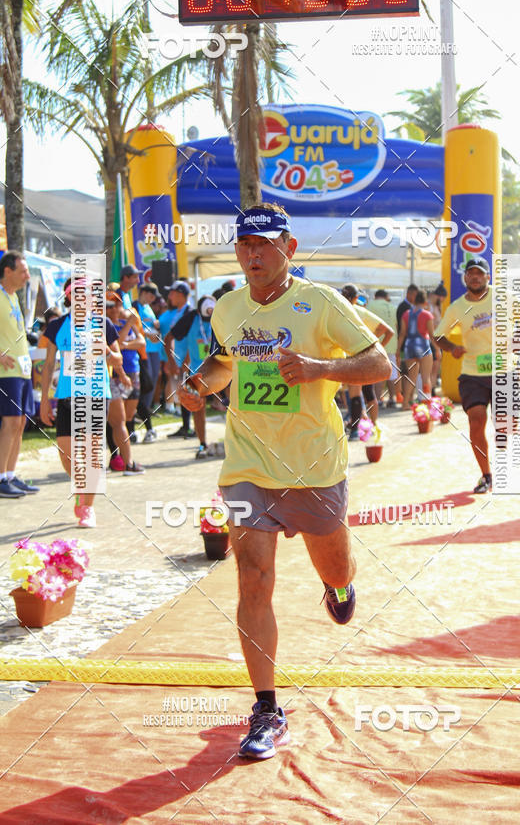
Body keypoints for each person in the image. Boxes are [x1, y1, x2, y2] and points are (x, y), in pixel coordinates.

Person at [178, 203, 391, 760]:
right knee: (252, 577)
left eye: (264, 244)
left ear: (289, 248)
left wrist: (321, 368)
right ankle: (267, 708)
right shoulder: (227, 308)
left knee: (335, 567)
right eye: (244, 245)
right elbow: (226, 364)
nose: (252, 254)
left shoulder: (320, 303)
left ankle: (340, 587)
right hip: (248, 466)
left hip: (314, 466)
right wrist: (199, 384)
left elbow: (381, 366)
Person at [434, 257, 520, 494]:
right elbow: (438, 336)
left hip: (504, 369)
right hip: (472, 372)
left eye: (479, 273)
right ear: (465, 278)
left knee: (505, 425)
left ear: (488, 277)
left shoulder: (503, 296)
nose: (475, 277)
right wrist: (452, 348)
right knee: (476, 421)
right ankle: (487, 475)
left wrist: (518, 339)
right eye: (471, 273)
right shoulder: (457, 307)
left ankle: (502, 456)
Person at [40, 278, 124, 526]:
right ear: (69, 298)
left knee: (92, 454)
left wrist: (106, 350)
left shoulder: (103, 324)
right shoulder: (57, 326)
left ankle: (87, 508)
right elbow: (47, 366)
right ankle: (81, 489)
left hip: (96, 395)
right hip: (67, 396)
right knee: (67, 456)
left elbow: (117, 360)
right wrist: (44, 400)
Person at [0, 250, 39, 498]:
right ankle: (1, 477)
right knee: (11, 422)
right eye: (23, 271)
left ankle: (10, 475)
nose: (27, 276)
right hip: (7, 372)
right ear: (8, 271)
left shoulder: (13, 298)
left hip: (22, 369)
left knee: (21, 422)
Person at [166, 295, 216, 458]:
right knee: (197, 407)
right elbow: (169, 337)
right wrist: (172, 361)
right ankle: (202, 444)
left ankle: (238, 444)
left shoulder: (222, 315)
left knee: (233, 406)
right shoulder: (191, 318)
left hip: (220, 369)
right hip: (197, 371)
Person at [340, 284, 393, 435]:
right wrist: (376, 348)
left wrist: (375, 348)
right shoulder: (360, 312)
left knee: (353, 393)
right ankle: (366, 425)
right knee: (366, 394)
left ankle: (357, 427)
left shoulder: (336, 310)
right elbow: (388, 331)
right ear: (356, 298)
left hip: (347, 359)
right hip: (362, 358)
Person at [105, 292, 145, 475]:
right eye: (110, 305)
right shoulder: (105, 324)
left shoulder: (109, 324)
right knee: (116, 422)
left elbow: (140, 341)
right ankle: (123, 461)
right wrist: (121, 374)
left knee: (123, 419)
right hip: (108, 377)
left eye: (117, 305)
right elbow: (114, 350)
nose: (115, 309)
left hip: (124, 373)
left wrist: (126, 344)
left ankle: (122, 460)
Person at [161, 281, 194, 434]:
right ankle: (186, 425)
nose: (169, 296)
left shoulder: (189, 312)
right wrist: (171, 360)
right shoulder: (177, 313)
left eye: (172, 293)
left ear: (180, 294)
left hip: (188, 360)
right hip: (178, 359)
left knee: (187, 392)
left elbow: (192, 337)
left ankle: (188, 427)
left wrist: (187, 360)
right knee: (181, 392)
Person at [398, 290, 440, 402]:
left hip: (409, 345)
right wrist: (437, 349)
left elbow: (402, 333)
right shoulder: (427, 315)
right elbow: (431, 335)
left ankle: (405, 403)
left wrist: (398, 350)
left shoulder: (406, 314)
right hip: (423, 345)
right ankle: (426, 401)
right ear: (425, 302)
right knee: (426, 377)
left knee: (411, 377)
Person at [133, 282, 161, 442]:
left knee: (151, 385)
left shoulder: (148, 308)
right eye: (150, 295)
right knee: (145, 385)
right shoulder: (135, 306)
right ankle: (141, 414)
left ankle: (145, 412)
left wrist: (156, 325)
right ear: (143, 292)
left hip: (154, 350)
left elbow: (151, 325)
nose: (152, 299)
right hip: (143, 351)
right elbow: (134, 327)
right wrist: (146, 334)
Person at [368, 289, 400, 407]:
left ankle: (378, 399)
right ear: (386, 297)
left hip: (378, 343)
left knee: (378, 373)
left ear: (376, 296)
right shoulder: (393, 307)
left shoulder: (371, 305)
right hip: (392, 343)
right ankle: (392, 398)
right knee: (392, 373)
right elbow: (396, 326)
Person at [396, 283, 418, 409]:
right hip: (407, 345)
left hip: (407, 345)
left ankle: (408, 399)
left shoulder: (409, 307)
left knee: (407, 373)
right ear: (409, 294)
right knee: (409, 373)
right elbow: (403, 329)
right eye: (415, 295)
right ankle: (407, 401)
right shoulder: (403, 307)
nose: (416, 298)